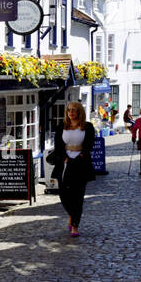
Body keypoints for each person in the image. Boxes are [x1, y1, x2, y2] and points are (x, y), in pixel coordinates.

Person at [52, 100, 96, 237]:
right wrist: (64, 157)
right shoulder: (62, 126)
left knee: (78, 196)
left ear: (79, 112)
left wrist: (80, 156)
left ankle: (75, 225)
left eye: (74, 110)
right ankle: (72, 215)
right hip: (65, 163)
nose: (71, 112)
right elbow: (58, 146)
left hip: (81, 163)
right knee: (64, 195)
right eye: (69, 110)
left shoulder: (87, 127)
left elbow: (89, 145)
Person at [133, 110, 141, 175]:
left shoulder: (138, 120)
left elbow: (134, 129)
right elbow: (134, 129)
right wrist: (134, 137)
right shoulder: (138, 120)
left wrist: (134, 137)